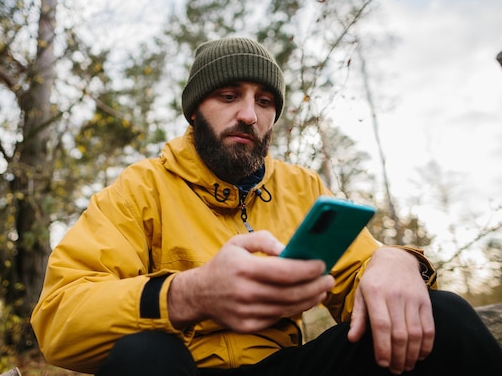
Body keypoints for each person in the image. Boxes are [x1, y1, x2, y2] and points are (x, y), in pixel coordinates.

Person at [31, 37, 502, 375]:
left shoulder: (302, 188)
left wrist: (396, 260)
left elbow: (361, 280)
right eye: (229, 95)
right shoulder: (141, 188)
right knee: (145, 355)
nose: (248, 115)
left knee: (447, 316)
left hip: (283, 365)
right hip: (181, 366)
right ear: (195, 109)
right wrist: (188, 294)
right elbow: (58, 320)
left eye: (265, 101)